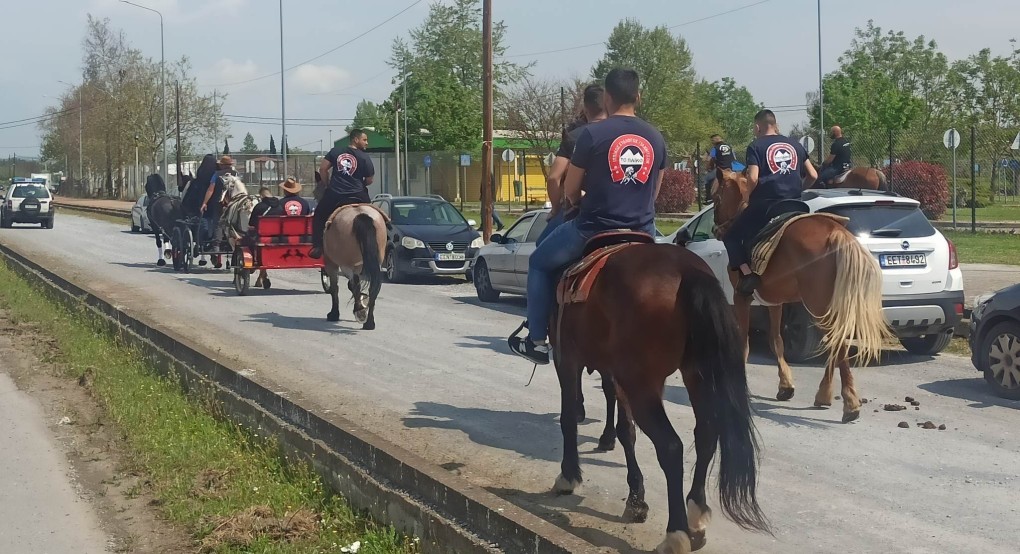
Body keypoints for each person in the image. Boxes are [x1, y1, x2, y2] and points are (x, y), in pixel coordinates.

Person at [508, 68, 667, 365]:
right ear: (639, 97)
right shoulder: (655, 137)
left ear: (607, 97)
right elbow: (654, 191)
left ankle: (537, 340)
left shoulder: (592, 134)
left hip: (593, 229)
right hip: (644, 230)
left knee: (538, 263)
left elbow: (569, 189)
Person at [722, 109, 817, 296]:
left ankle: (749, 276)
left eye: (753, 127)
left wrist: (748, 195)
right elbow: (813, 174)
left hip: (766, 206)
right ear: (774, 124)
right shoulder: (795, 145)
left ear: (758, 127)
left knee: (730, 236)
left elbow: (754, 178)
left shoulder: (755, 146)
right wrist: (799, 189)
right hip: (796, 204)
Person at [538, 83, 607, 245]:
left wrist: (556, 209)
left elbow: (553, 178)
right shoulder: (621, 134)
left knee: (538, 256)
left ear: (585, 107)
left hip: (584, 217)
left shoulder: (574, 137)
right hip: (630, 217)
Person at [310, 129, 375, 259]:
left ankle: (317, 246)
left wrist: (327, 184)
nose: (367, 143)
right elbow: (370, 180)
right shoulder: (364, 157)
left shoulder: (335, 151)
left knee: (319, 215)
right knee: (374, 216)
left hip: (336, 194)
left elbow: (323, 169)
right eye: (364, 140)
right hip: (358, 194)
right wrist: (359, 185)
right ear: (355, 140)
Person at [702, 134, 745, 203]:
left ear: (715, 140)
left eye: (712, 141)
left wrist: (707, 167)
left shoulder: (715, 148)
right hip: (732, 169)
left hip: (721, 169)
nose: (712, 143)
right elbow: (734, 158)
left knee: (707, 179)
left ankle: (708, 198)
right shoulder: (729, 147)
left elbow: (709, 159)